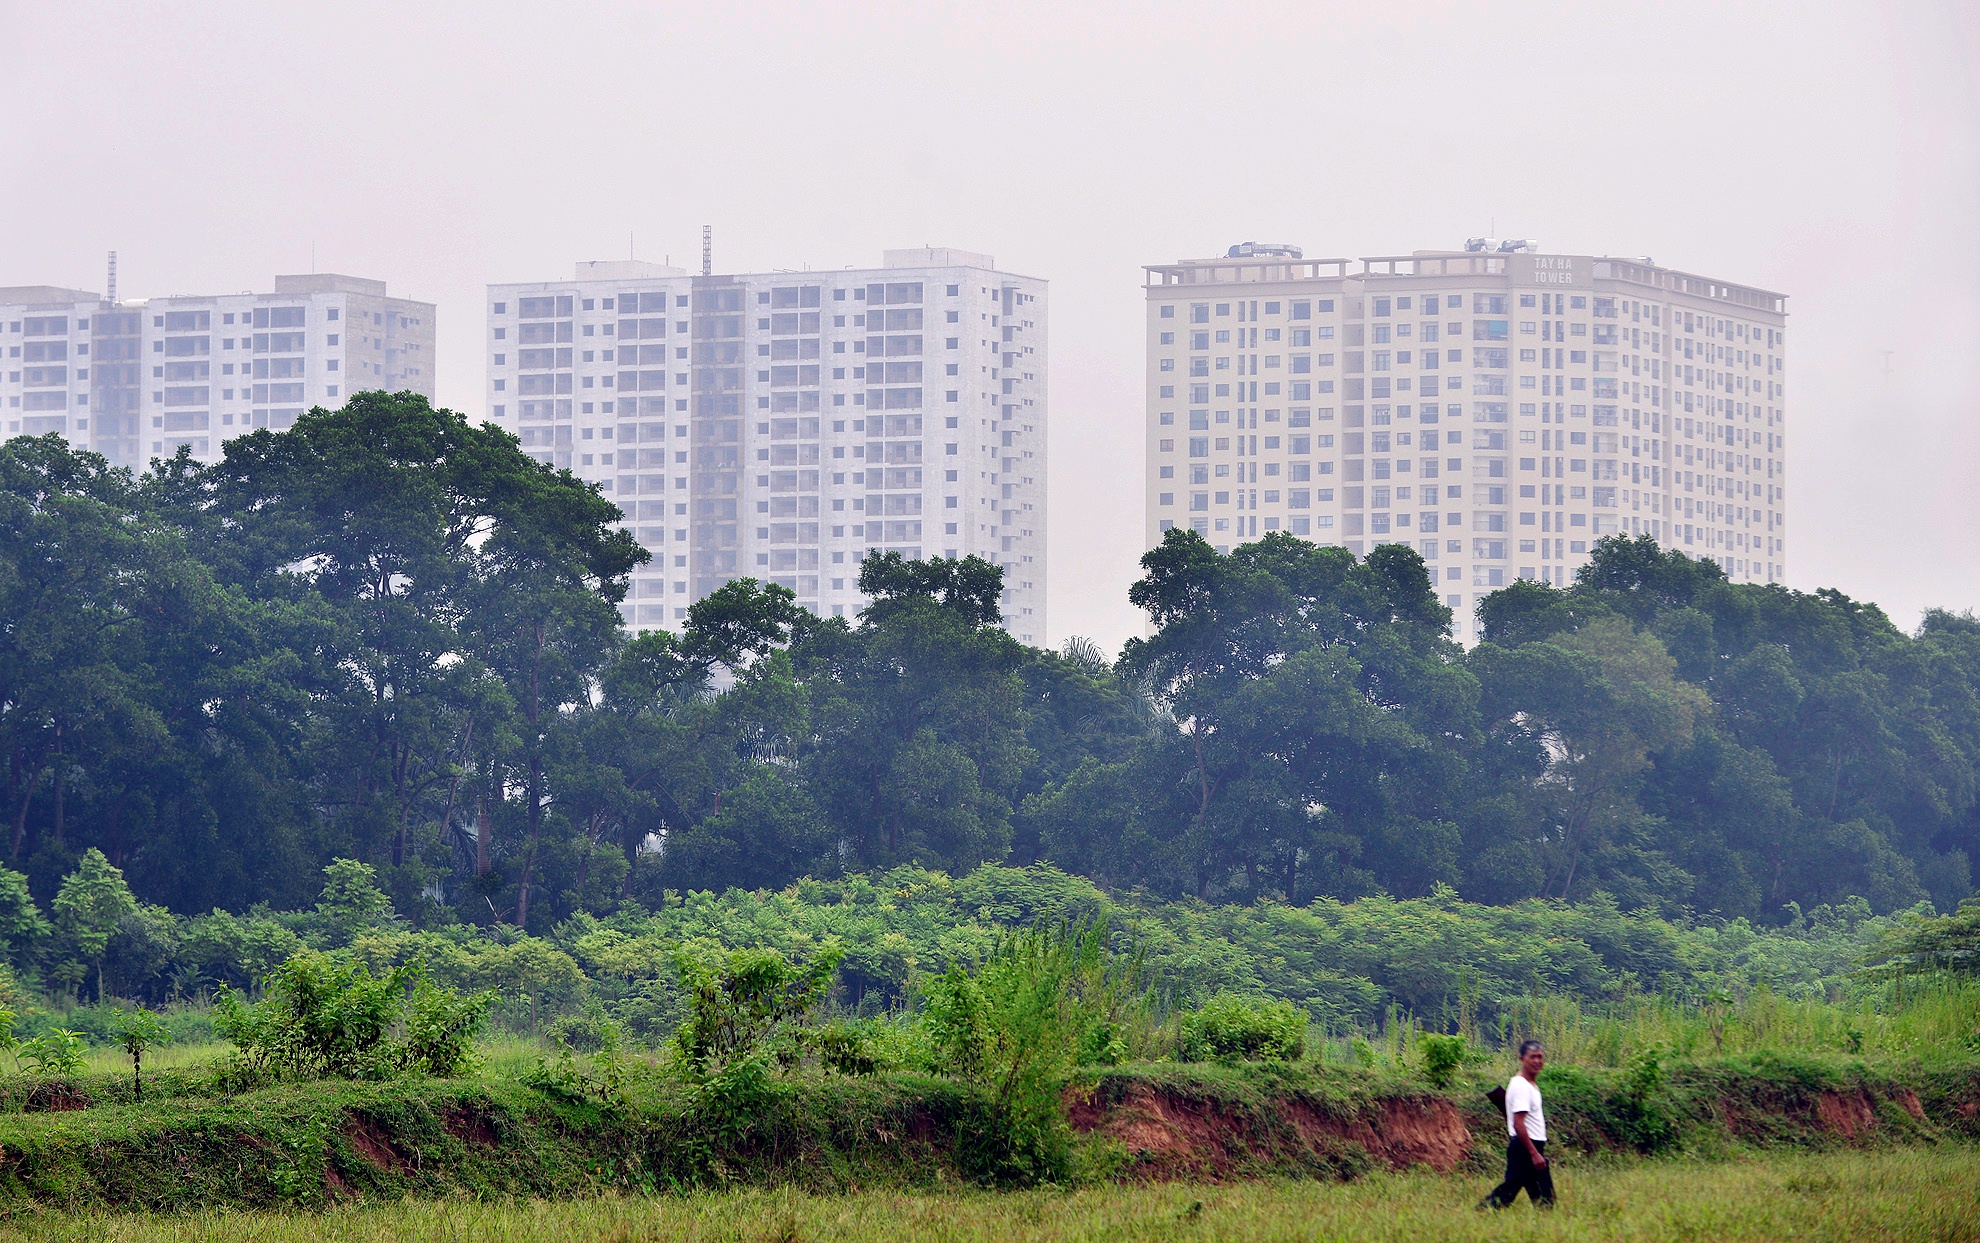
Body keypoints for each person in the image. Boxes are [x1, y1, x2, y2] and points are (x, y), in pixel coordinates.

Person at [1480, 1039, 1554, 1209]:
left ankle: (1545, 1217)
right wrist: (1534, 1153)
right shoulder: (1521, 1086)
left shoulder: (1529, 1085)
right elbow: (1518, 1123)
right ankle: (1483, 1211)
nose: (1537, 1061)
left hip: (1529, 1145)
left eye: (1540, 1057)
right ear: (1522, 1059)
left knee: (1541, 1195)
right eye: (1532, 1057)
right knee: (1511, 1190)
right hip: (1525, 1146)